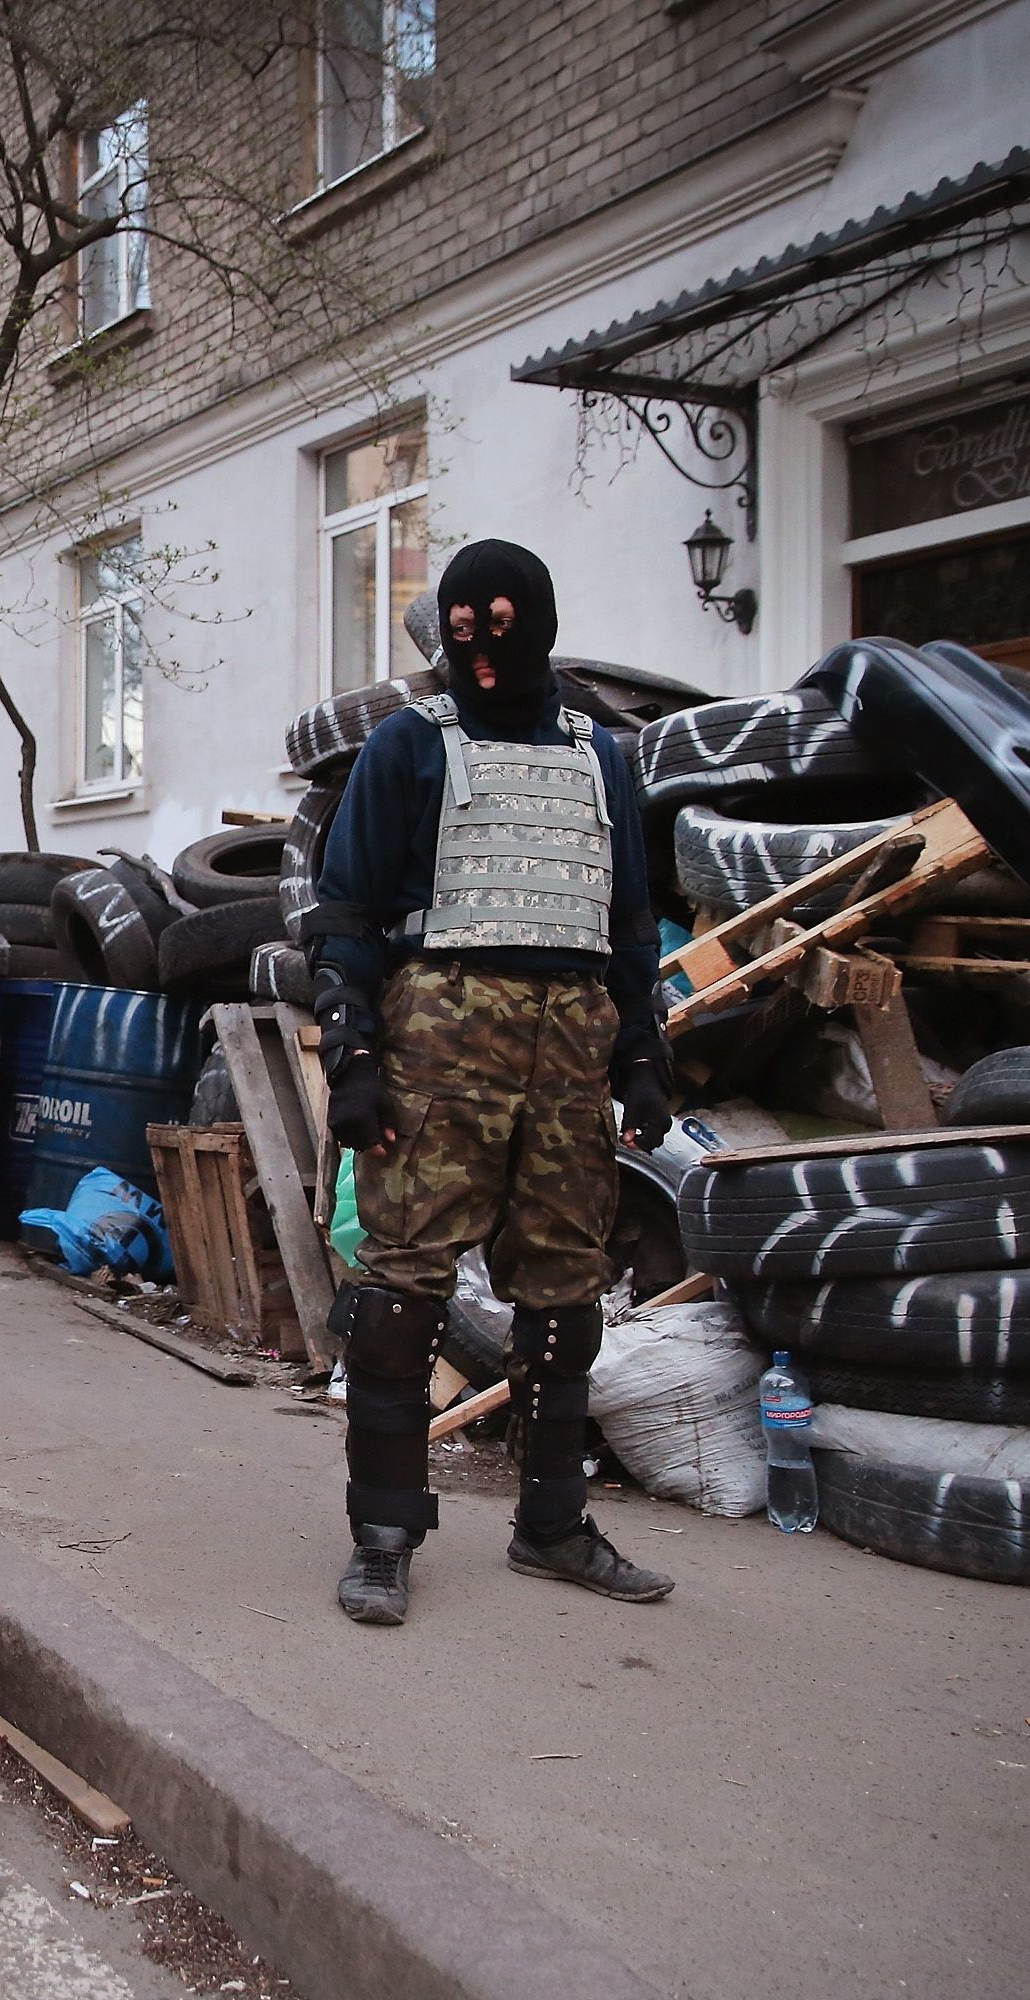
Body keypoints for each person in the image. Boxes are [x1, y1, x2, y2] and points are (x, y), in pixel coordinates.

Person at [301, 538, 677, 1627]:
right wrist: (355, 1055)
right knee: (396, 1297)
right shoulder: (407, 749)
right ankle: (383, 1533)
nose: (479, 654)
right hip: (439, 1048)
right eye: (459, 635)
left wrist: (644, 1057)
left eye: (498, 632)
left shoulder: (602, 757)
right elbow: (346, 916)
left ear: (540, 630)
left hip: (567, 1058)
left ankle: (553, 1522)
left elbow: (629, 921)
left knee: (565, 1295)